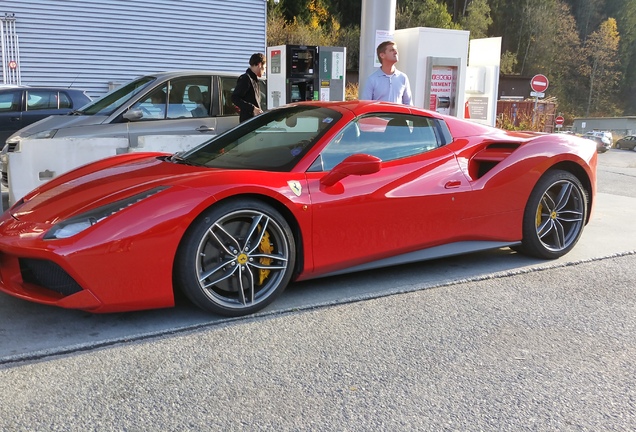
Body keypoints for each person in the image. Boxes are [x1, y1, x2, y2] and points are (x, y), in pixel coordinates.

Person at [361, 41, 412, 105]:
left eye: (396, 50)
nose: (396, 52)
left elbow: (409, 104)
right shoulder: (372, 79)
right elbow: (365, 105)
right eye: (392, 50)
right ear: (382, 55)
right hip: (379, 115)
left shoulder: (403, 78)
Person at [232, 53, 266, 122]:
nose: (265, 71)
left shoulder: (255, 80)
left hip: (254, 121)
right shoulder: (246, 78)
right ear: (259, 65)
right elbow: (235, 98)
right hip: (248, 122)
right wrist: (253, 108)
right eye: (265, 67)